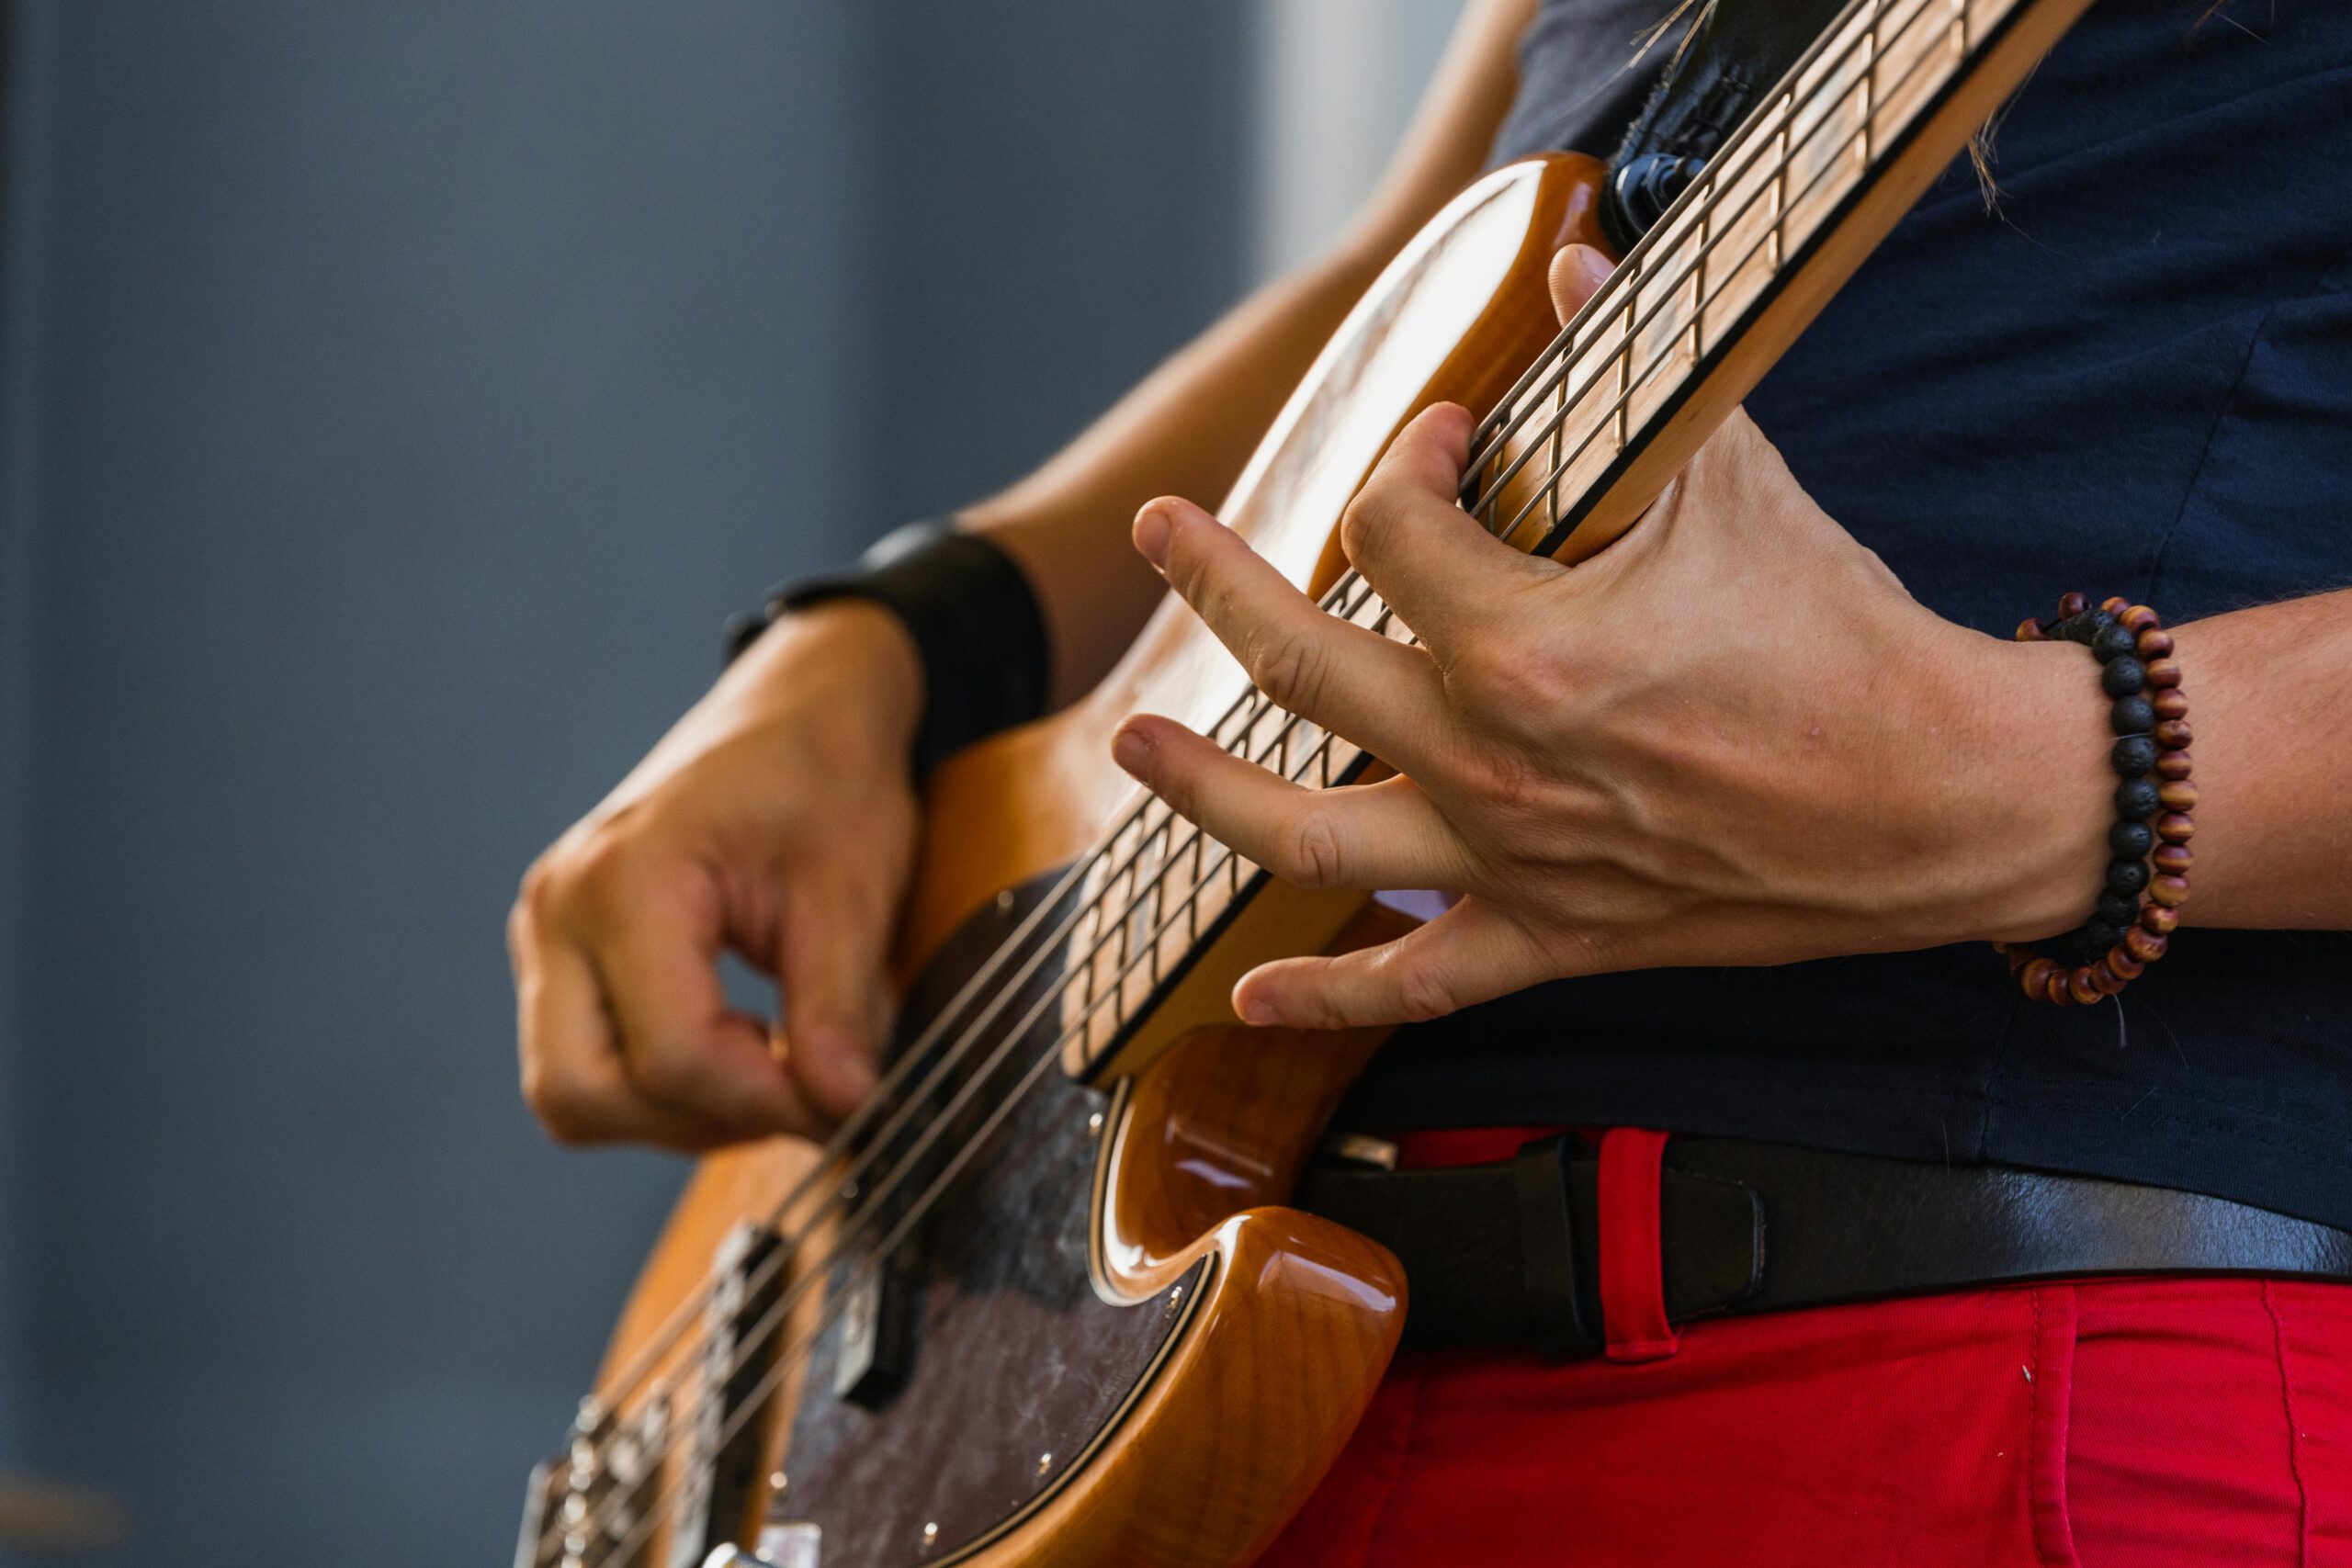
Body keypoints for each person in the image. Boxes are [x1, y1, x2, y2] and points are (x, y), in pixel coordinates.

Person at [508, 0, 2352, 1559]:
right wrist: (903, 632)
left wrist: (2050, 774)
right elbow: (1435, 246)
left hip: (1967, 1372)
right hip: (1238, 1408)